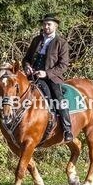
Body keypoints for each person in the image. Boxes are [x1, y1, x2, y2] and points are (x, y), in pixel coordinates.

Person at [22, 13, 73, 142]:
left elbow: (63, 65)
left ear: (55, 26)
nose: (46, 27)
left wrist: (46, 73)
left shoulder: (61, 43)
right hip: (33, 76)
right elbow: (26, 58)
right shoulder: (36, 40)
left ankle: (67, 129)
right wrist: (27, 66)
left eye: (49, 24)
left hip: (52, 78)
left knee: (58, 98)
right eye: (44, 24)